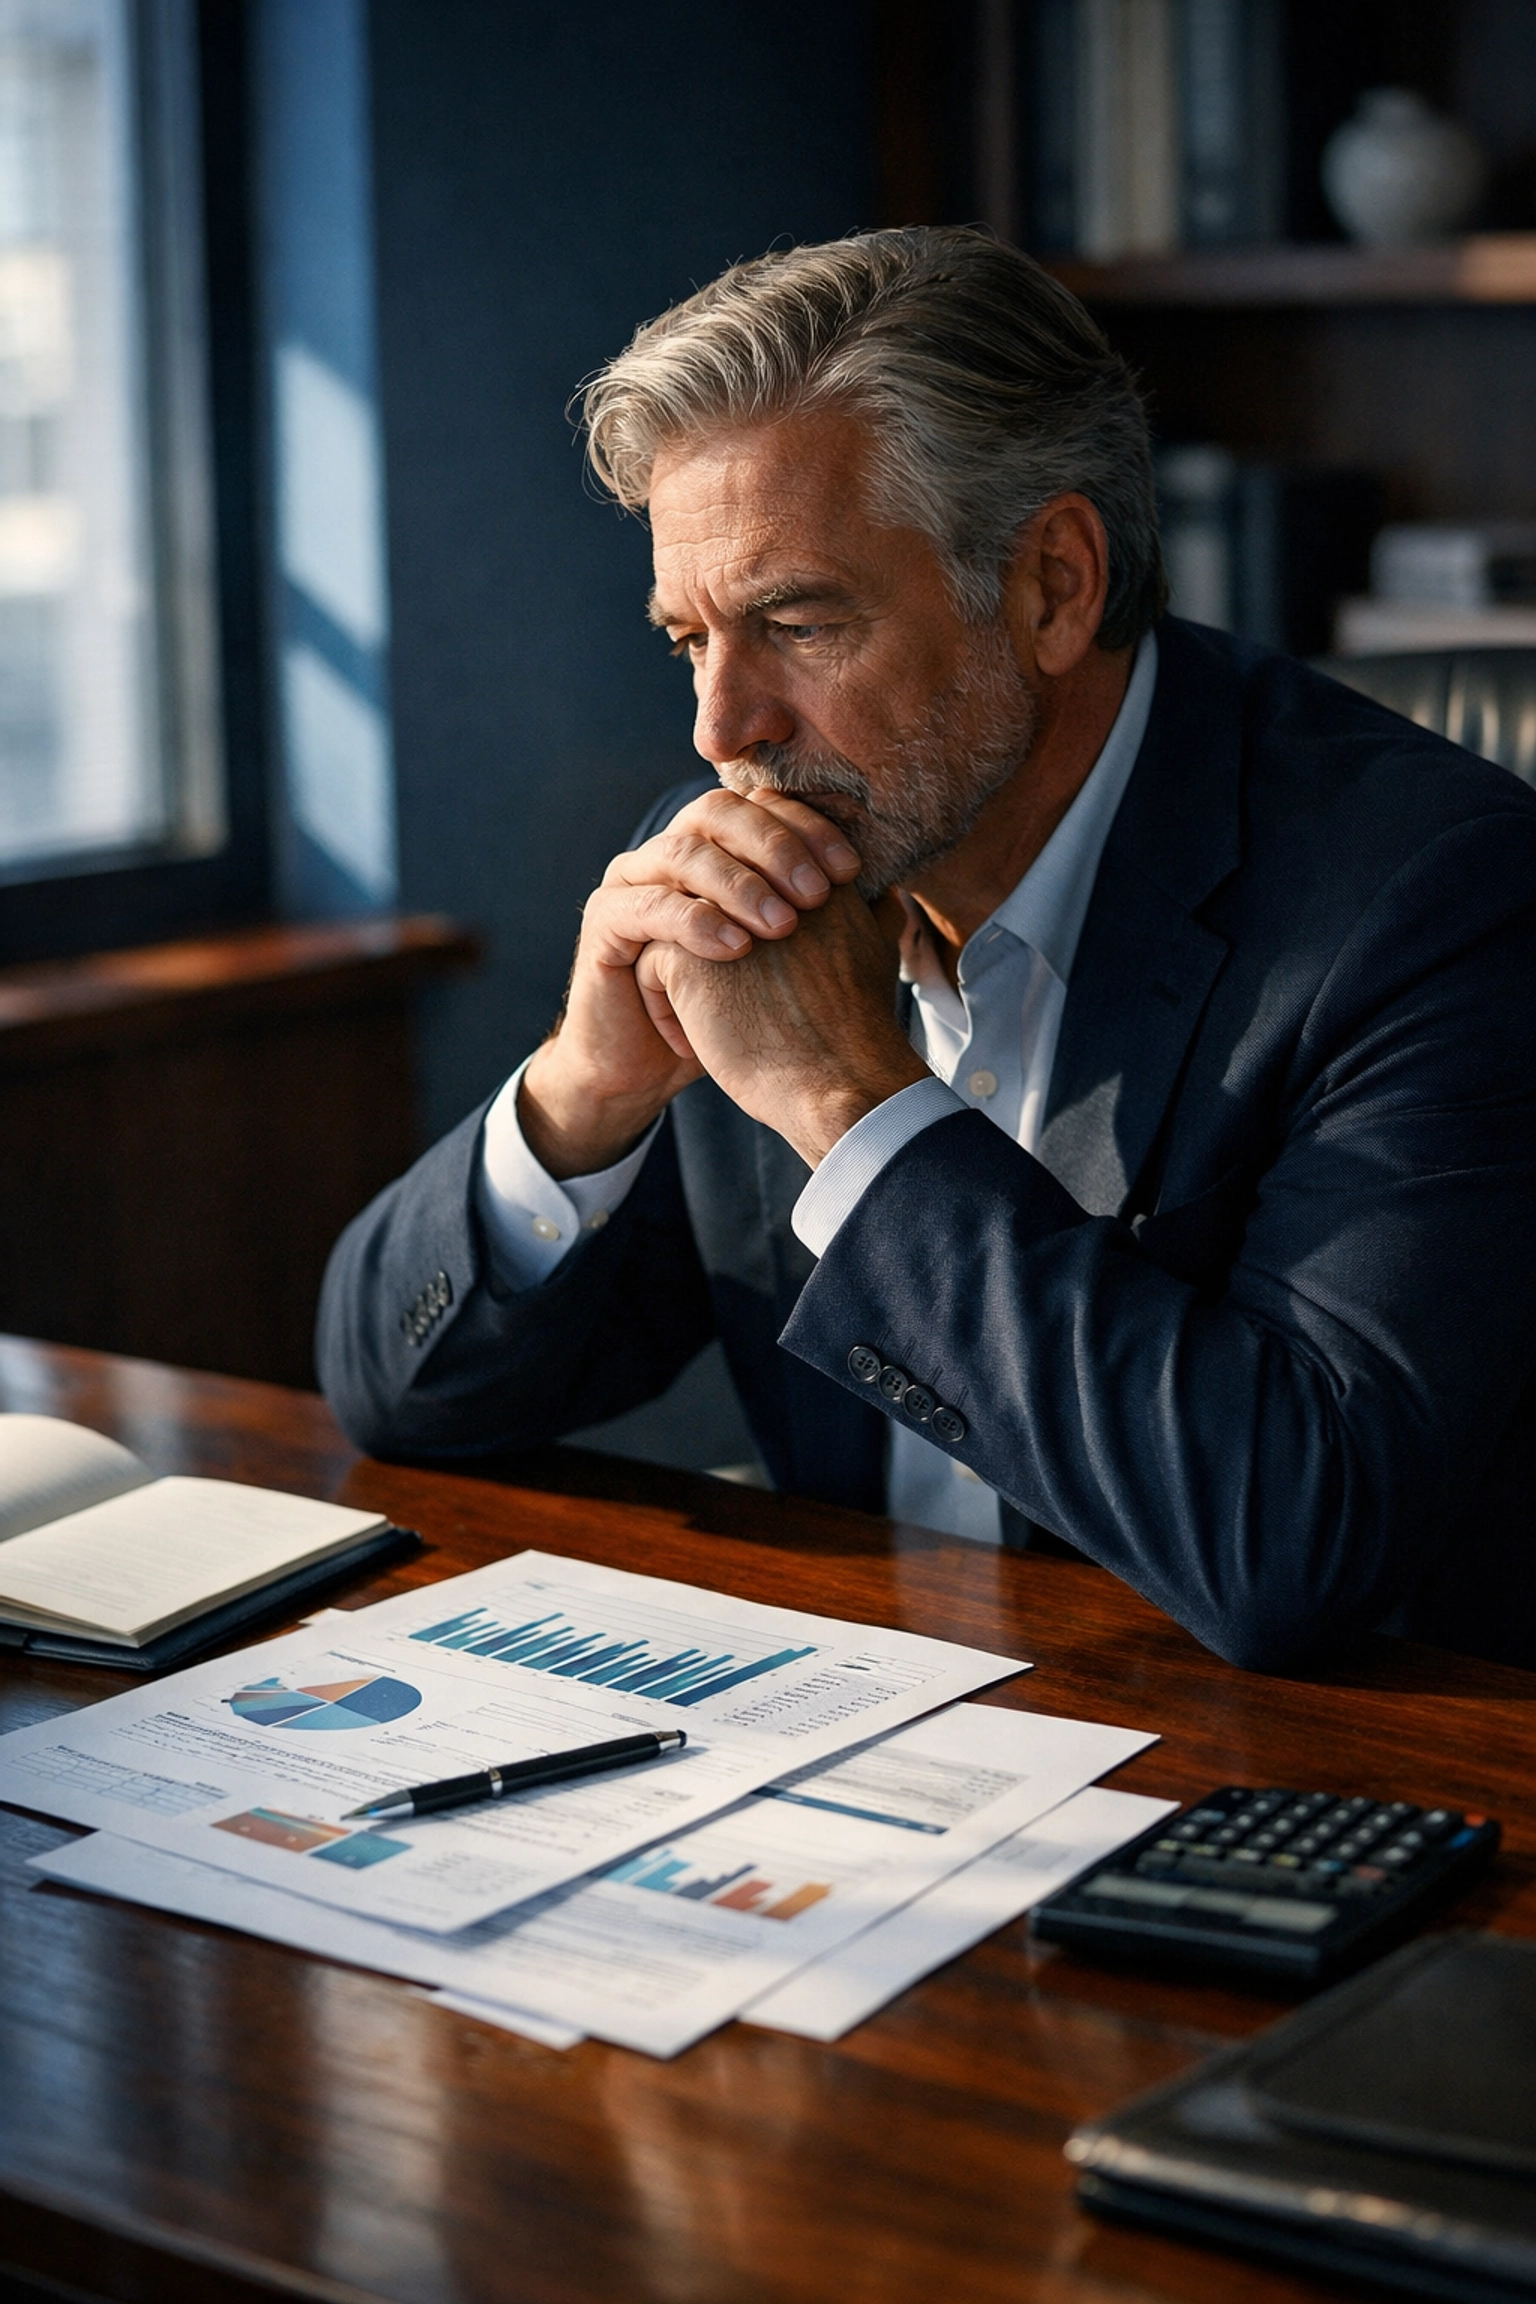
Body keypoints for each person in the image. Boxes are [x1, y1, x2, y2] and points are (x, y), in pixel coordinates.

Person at [318, 227, 1536, 1672]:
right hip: (872, 1735)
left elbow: (1297, 1544)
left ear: (1053, 588)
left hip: (1291, 1780)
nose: (724, 732)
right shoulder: (766, 852)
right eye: (687, 640)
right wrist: (585, 1091)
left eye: (796, 621)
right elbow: (395, 1393)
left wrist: (848, 1104)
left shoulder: (1436, 901)